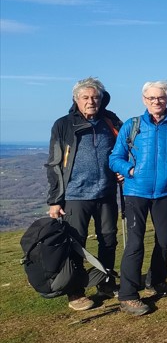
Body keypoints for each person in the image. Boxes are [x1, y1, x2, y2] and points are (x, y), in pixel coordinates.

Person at [109, 81, 167, 316]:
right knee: (134, 244)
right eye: (152, 98)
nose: (157, 102)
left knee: (164, 240)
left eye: (161, 98)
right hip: (135, 192)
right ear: (144, 100)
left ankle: (157, 281)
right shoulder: (132, 125)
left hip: (165, 193)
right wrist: (130, 171)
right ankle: (128, 295)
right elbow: (115, 158)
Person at [45, 77, 123, 311]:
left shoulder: (110, 121)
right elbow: (54, 163)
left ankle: (105, 282)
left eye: (95, 97)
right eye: (86, 97)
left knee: (108, 239)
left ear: (102, 99)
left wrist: (121, 168)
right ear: (76, 99)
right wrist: (54, 200)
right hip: (75, 195)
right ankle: (75, 291)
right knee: (75, 243)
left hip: (106, 193)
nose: (91, 101)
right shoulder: (63, 125)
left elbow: (123, 149)